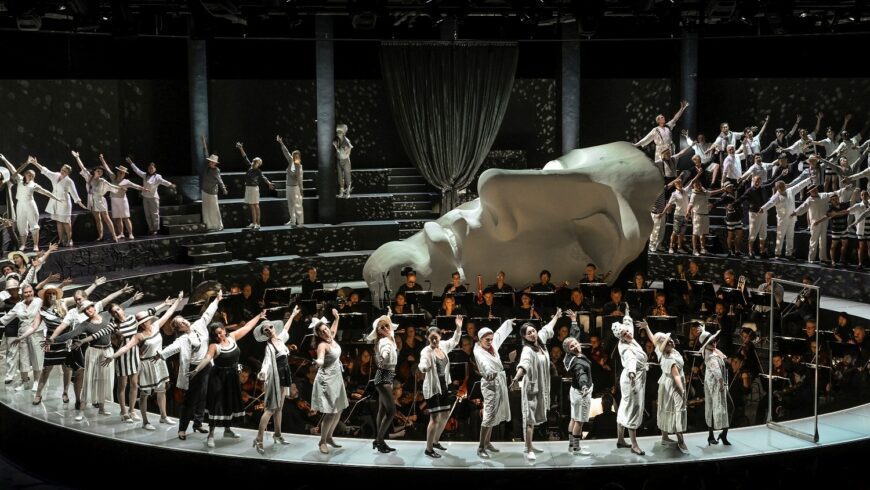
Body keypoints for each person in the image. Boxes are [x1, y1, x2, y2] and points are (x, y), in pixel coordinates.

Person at [102, 294, 183, 430]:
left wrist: (171, 302)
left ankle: (138, 411)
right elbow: (121, 344)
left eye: (118, 309)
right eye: (114, 312)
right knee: (126, 386)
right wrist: (112, 356)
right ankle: (125, 412)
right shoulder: (117, 327)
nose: (117, 312)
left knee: (143, 386)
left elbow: (159, 313)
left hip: (140, 357)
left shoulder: (136, 319)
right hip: (130, 357)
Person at [190, 310, 264, 448]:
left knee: (230, 403)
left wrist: (259, 316)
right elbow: (207, 359)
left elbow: (247, 327)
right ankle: (210, 435)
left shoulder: (232, 337)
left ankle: (227, 430)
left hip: (232, 378)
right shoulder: (214, 346)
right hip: (218, 378)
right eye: (216, 334)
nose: (219, 335)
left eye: (221, 332)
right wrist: (196, 370)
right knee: (217, 406)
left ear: (224, 330)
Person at [159, 290, 222, 440]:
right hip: (194, 370)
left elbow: (207, 314)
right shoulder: (183, 339)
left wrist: (217, 300)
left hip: (207, 366)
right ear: (178, 329)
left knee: (203, 396)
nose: (183, 322)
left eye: (183, 320)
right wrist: (160, 354)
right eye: (179, 323)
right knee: (190, 401)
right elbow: (171, 348)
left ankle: (198, 423)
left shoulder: (199, 325)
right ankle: (182, 429)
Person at [510, 309, 560, 461]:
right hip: (531, 388)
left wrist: (557, 316)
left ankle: (528, 444)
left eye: (533, 331)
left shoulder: (541, 343)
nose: (533, 334)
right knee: (529, 419)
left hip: (542, 386)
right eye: (529, 333)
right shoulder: (527, 349)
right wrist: (516, 378)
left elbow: (547, 329)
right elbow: (523, 365)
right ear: (524, 337)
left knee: (535, 418)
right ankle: (529, 448)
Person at [53, 300, 117, 420]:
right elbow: (71, 334)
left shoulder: (106, 315)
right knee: (88, 381)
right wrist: (54, 340)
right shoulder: (85, 324)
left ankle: (102, 408)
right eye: (86, 310)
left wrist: (133, 299)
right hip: (93, 352)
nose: (88, 311)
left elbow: (120, 308)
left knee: (104, 379)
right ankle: (81, 411)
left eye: (90, 308)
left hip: (108, 351)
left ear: (94, 307)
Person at [253, 307, 298, 454]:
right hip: (275, 378)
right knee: (270, 409)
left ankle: (277, 434)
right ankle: (258, 439)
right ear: (264, 334)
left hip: (285, 375)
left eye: (270, 327)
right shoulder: (269, 347)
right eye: (266, 330)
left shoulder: (280, 339)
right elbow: (266, 362)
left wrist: (293, 314)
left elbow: (285, 328)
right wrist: (263, 372)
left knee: (279, 408)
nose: (269, 330)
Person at [418, 316, 463, 458]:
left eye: (436, 337)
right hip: (432, 389)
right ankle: (429, 448)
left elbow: (455, 340)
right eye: (431, 338)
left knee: (445, 415)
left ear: (440, 336)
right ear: (428, 338)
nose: (434, 340)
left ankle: (436, 441)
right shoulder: (426, 351)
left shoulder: (443, 346)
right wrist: (423, 368)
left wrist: (458, 327)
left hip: (444, 387)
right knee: (435, 418)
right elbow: (423, 363)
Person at [642, 322, 688, 454]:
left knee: (668, 409)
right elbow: (677, 377)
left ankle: (665, 437)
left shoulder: (665, 350)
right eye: (668, 342)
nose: (671, 341)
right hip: (673, 386)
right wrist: (682, 390)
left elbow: (653, 340)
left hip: (667, 384)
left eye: (670, 339)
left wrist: (647, 328)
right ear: (664, 346)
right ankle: (680, 440)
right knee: (676, 410)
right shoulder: (668, 358)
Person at [0, 155, 60, 251]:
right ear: (25, 175)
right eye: (29, 174)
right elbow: (13, 169)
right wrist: (5, 159)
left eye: (32, 175)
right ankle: (23, 245)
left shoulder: (34, 185)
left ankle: (36, 245)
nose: (30, 176)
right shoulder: (19, 179)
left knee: (34, 225)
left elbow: (45, 192)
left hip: (30, 204)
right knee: (21, 225)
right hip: (20, 204)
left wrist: (56, 198)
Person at [310, 309, 348, 454]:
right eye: (321, 332)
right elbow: (320, 358)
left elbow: (334, 329)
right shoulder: (322, 345)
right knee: (331, 412)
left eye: (325, 329)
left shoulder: (331, 336)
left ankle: (330, 437)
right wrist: (318, 361)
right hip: (326, 380)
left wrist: (337, 318)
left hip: (337, 378)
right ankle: (322, 441)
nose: (325, 332)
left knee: (339, 409)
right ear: (318, 335)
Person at [473, 319, 512, 458]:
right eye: (487, 339)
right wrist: (489, 372)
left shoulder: (491, 346)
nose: (490, 341)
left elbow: (499, 334)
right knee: (488, 415)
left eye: (491, 339)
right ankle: (480, 447)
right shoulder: (479, 352)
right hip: (490, 385)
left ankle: (487, 443)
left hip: (498, 381)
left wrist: (508, 323)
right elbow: (484, 364)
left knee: (493, 415)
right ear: (480, 339)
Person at [25, 156, 85, 247]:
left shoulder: (69, 181)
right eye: (62, 170)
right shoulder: (56, 175)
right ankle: (61, 239)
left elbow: (74, 194)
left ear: (68, 173)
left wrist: (79, 202)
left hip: (64, 202)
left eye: (65, 171)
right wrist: (35, 163)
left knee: (66, 222)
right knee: (58, 221)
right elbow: (46, 171)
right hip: (55, 201)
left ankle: (69, 239)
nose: (62, 172)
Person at [612, 313, 647, 456]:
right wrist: (632, 373)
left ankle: (620, 439)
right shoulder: (625, 347)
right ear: (621, 337)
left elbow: (628, 325)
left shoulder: (630, 337)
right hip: (632, 378)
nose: (628, 333)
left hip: (632, 377)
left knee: (624, 406)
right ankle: (634, 444)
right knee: (633, 408)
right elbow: (630, 359)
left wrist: (626, 314)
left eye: (627, 331)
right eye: (625, 333)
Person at [794, 184, 853, 263]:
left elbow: (835, 192)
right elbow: (802, 207)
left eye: (815, 189)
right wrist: (794, 213)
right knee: (814, 240)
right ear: (810, 192)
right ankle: (811, 259)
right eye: (813, 190)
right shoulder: (809, 200)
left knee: (823, 240)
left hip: (824, 221)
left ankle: (823, 257)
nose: (815, 191)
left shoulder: (824, 195)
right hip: (815, 222)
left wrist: (845, 189)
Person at [1, 283, 44, 394]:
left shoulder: (39, 301)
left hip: (36, 333)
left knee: (37, 358)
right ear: (22, 293)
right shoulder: (19, 305)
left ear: (33, 292)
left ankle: (36, 381)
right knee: (23, 359)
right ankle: (25, 382)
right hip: (22, 334)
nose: (28, 294)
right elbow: (7, 317)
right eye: (26, 292)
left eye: (30, 291)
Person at [368, 313, 399, 453]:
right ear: (378, 331)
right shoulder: (383, 342)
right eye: (382, 327)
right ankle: (379, 440)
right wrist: (384, 355)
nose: (386, 327)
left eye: (387, 325)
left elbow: (390, 336)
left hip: (387, 377)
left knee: (382, 410)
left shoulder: (389, 338)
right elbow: (385, 351)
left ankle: (380, 439)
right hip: (384, 377)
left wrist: (389, 315)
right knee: (391, 412)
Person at [73, 151, 122, 243]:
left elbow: (112, 186)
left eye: (101, 172)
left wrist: (120, 188)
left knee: (106, 218)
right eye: (98, 171)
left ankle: (114, 235)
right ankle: (100, 235)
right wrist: (77, 157)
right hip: (92, 200)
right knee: (97, 219)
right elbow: (82, 167)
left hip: (100, 200)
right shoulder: (89, 177)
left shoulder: (102, 181)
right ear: (95, 171)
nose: (100, 172)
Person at [760, 177, 813, 260]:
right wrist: (762, 209)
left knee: (790, 236)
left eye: (784, 186)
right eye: (781, 187)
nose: (783, 188)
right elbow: (769, 203)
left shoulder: (790, 191)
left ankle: (789, 253)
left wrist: (808, 180)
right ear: (778, 188)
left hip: (791, 218)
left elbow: (799, 186)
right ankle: (777, 253)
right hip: (782, 220)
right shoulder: (776, 197)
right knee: (780, 236)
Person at [563, 311, 593, 456]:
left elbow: (573, 338)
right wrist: (585, 387)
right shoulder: (578, 362)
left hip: (574, 391)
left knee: (574, 418)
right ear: (569, 350)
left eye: (575, 344)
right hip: (581, 392)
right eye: (572, 346)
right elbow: (581, 375)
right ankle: (576, 448)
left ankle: (571, 446)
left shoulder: (571, 355)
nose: (575, 346)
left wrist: (574, 321)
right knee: (579, 421)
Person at [99, 155, 145, 240]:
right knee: (117, 218)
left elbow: (136, 186)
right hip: (114, 199)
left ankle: (131, 234)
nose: (121, 173)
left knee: (126, 217)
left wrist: (144, 189)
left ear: (124, 174)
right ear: (117, 172)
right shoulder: (113, 177)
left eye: (123, 173)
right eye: (120, 172)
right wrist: (102, 159)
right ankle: (121, 233)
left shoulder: (126, 181)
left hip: (122, 200)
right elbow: (106, 168)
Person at [127, 157, 176, 236]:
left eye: (152, 168)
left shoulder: (157, 177)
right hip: (145, 197)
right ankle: (151, 228)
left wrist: (170, 185)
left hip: (153, 197)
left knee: (154, 214)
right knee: (147, 214)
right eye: (149, 168)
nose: (150, 169)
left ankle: (155, 229)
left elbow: (164, 182)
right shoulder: (145, 175)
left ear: (155, 169)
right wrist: (131, 163)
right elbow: (137, 170)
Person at [700, 329, 730, 445]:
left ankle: (722, 434)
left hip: (718, 384)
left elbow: (724, 360)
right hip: (714, 385)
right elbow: (717, 372)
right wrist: (722, 384)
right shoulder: (710, 355)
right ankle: (712, 435)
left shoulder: (715, 351)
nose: (714, 343)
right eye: (711, 342)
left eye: (714, 340)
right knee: (711, 408)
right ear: (705, 345)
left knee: (728, 407)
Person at [236, 142, 275, 230]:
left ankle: (258, 223)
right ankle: (253, 222)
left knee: (256, 205)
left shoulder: (258, 171)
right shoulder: (250, 166)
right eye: (254, 161)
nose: (254, 162)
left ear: (259, 164)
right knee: (251, 205)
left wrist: (269, 183)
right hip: (248, 188)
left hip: (254, 189)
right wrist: (241, 148)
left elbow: (263, 177)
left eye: (256, 162)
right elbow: (244, 157)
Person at [277, 136, 305, 227]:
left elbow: (300, 178)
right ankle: (292, 221)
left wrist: (301, 189)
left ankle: (300, 223)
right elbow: (286, 152)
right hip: (288, 186)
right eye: (294, 156)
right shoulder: (290, 162)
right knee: (290, 205)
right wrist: (281, 143)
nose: (295, 157)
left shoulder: (299, 166)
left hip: (295, 187)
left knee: (297, 205)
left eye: (297, 156)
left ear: (299, 157)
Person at [200, 152, 227, 232]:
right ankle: (208, 225)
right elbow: (205, 155)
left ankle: (219, 225)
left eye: (212, 162)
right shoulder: (206, 168)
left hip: (212, 192)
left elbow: (220, 180)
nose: (211, 163)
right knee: (206, 209)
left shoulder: (216, 170)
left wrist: (224, 189)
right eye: (210, 161)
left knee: (215, 209)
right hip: (204, 191)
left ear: (215, 163)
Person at [333, 124, 353, 198]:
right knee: (340, 176)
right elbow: (336, 149)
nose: (338, 133)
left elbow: (349, 150)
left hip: (345, 161)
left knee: (347, 176)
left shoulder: (346, 141)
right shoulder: (336, 140)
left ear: (344, 133)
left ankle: (348, 192)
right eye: (337, 132)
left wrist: (345, 152)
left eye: (340, 132)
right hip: (339, 160)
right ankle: (341, 191)